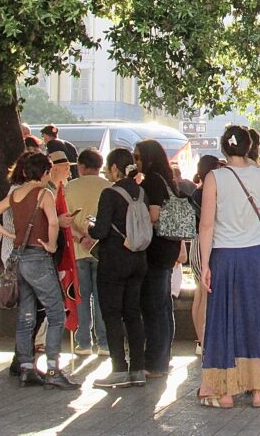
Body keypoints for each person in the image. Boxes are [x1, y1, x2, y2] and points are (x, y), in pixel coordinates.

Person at [198, 125, 260, 408]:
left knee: (223, 319)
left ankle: (224, 393)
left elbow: (207, 224)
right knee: (257, 320)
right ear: (249, 145)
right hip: (256, 255)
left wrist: (204, 264)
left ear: (225, 148)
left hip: (224, 255)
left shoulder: (215, 177)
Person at [0, 152, 78, 390]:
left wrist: (10, 235)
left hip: (18, 256)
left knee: (26, 315)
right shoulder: (43, 194)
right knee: (56, 313)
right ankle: (54, 369)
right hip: (38, 255)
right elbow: (54, 222)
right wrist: (52, 243)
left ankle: (26, 367)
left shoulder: (15, 194)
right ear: (45, 172)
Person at [88, 149, 148, 388]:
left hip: (114, 262)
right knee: (133, 314)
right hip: (138, 258)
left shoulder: (110, 194)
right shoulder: (141, 192)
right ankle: (138, 369)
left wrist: (89, 225)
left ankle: (119, 369)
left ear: (114, 168)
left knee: (112, 314)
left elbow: (101, 231)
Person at [135, 140, 183, 377]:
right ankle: (163, 356)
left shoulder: (152, 180)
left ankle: (154, 362)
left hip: (155, 248)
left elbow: (154, 214)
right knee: (163, 306)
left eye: (138, 157)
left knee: (153, 307)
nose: (136, 162)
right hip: (169, 248)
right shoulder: (168, 180)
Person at [65, 147, 111, 357]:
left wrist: (81, 237)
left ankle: (83, 342)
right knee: (102, 297)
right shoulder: (109, 187)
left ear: (81, 167)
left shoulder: (69, 187)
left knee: (82, 296)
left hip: (78, 250)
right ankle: (104, 342)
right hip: (103, 249)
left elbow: (65, 220)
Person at [189, 154, 220, 354]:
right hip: (205, 244)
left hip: (197, 244)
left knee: (199, 293)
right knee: (204, 294)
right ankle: (203, 339)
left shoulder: (196, 193)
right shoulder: (205, 194)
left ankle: (201, 339)